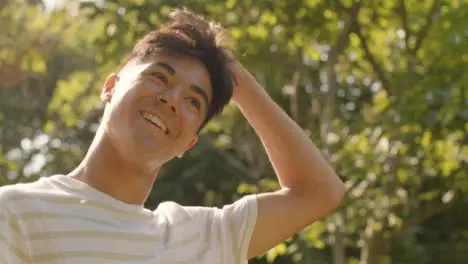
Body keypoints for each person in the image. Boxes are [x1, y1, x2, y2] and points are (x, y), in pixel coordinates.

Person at [0, 8, 345, 264]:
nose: (172, 100)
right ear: (111, 86)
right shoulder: (16, 211)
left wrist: (234, 76)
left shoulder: (203, 237)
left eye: (194, 101)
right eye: (160, 77)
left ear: (189, 142)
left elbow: (320, 192)